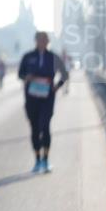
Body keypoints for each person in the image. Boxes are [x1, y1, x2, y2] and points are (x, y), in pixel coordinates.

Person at [17, 31, 69, 173]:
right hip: (31, 98)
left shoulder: (53, 57)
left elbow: (65, 74)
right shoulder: (28, 57)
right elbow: (20, 74)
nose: (42, 42)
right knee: (34, 128)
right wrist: (26, 77)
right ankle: (37, 160)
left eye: (45, 40)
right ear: (36, 41)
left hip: (47, 98)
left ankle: (46, 160)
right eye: (40, 39)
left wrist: (57, 87)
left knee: (45, 126)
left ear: (48, 41)